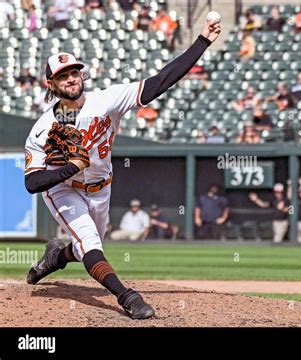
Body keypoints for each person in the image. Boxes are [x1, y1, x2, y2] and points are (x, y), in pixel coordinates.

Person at [23, 18, 220, 319]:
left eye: (75, 72)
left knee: (86, 248)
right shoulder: (42, 129)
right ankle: (127, 297)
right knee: (89, 242)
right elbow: (33, 182)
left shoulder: (106, 101)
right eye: (63, 76)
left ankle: (55, 257)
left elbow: (160, 81)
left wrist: (202, 42)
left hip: (102, 186)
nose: (72, 78)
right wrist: (68, 170)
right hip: (64, 190)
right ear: (51, 84)